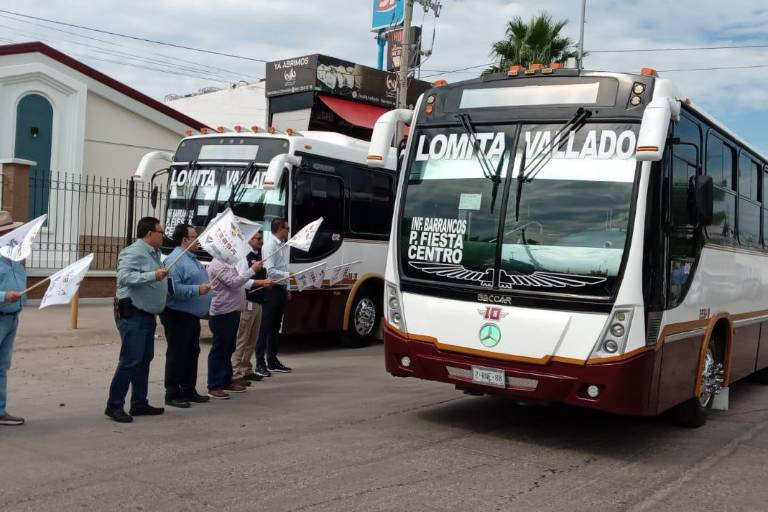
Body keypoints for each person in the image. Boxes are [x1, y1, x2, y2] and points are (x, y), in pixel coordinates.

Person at [106, 217, 168, 423]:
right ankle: (114, 405)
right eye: (160, 231)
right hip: (132, 313)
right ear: (149, 234)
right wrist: (152, 276)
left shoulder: (155, 253)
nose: (163, 235)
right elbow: (124, 277)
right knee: (131, 359)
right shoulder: (133, 252)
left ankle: (139, 402)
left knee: (144, 359)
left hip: (146, 313)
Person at [160, 224, 212, 409]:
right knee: (177, 353)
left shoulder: (192, 258)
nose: (197, 240)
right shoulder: (175, 260)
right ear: (184, 240)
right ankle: (172, 393)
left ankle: (188, 389)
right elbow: (173, 290)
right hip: (177, 314)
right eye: (194, 237)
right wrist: (197, 289)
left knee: (191, 352)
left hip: (191, 315)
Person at [206, 256, 263, 399]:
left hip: (233, 311)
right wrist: (252, 270)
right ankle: (214, 385)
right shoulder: (217, 264)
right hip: (222, 313)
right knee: (219, 350)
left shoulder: (229, 263)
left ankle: (225, 380)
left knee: (229, 348)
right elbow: (233, 283)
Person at [231, 230, 272, 384]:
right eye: (258, 238)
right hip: (248, 301)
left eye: (262, 238)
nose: (261, 241)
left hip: (259, 301)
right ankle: (235, 372)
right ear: (249, 239)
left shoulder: (260, 255)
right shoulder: (244, 257)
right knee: (242, 338)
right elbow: (243, 281)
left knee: (252, 340)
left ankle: (246, 369)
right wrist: (262, 283)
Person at [255, 218, 292, 377]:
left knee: (275, 327)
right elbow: (270, 271)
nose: (289, 231)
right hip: (271, 290)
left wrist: (287, 287)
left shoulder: (282, 245)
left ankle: (272, 360)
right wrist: (288, 276)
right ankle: (259, 363)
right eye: (287, 228)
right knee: (265, 327)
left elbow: (284, 267)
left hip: (281, 289)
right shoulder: (270, 245)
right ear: (279, 229)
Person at [0, 211, 26, 426]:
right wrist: (4, 296)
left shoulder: (15, 258)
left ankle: (0, 411)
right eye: (8, 231)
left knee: (2, 367)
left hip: (11, 318)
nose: (13, 233)